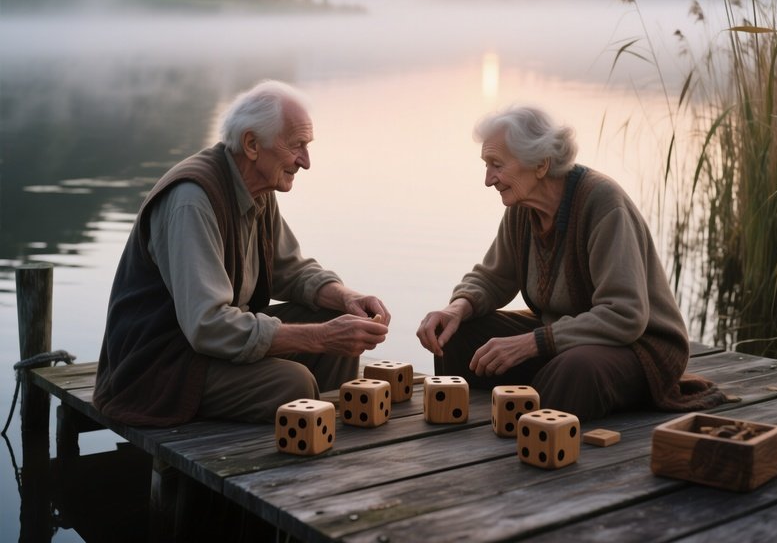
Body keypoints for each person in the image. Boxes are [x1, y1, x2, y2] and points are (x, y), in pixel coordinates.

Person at [93, 79, 390, 426]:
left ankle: (319, 441)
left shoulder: (258, 188)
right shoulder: (191, 200)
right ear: (251, 144)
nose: (306, 161)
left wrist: (347, 299)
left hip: (204, 351)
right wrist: (321, 337)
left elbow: (290, 271)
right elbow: (208, 326)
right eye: (297, 146)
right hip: (161, 365)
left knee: (330, 320)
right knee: (293, 384)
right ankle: (275, 461)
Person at [416, 106, 728, 421]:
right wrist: (455, 309)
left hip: (639, 346)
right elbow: (493, 278)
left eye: (497, 165)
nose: (488, 180)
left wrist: (532, 343)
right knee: (455, 338)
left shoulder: (603, 203)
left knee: (574, 372)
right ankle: (528, 399)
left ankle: (541, 419)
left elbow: (625, 314)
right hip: (565, 337)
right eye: (486, 165)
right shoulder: (523, 207)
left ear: (540, 165)